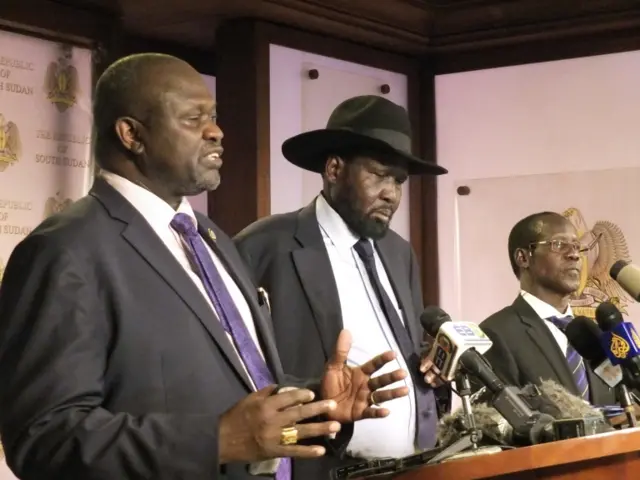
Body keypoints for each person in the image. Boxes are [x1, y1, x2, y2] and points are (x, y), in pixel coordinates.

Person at [0, 54, 410, 480]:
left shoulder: (211, 238)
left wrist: (315, 402)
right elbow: (43, 437)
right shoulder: (67, 249)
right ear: (131, 134)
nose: (216, 132)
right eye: (193, 119)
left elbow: (235, 387)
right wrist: (215, 440)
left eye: (212, 117)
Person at [234, 95, 450, 478]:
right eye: (379, 175)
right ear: (334, 169)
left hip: (415, 467)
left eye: (399, 181)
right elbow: (236, 367)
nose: (392, 193)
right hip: (320, 469)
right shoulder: (266, 245)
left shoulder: (399, 253)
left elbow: (410, 347)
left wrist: (432, 362)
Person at [478, 211, 616, 404]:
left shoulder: (592, 334)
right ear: (523, 258)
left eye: (577, 246)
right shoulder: (495, 334)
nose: (575, 255)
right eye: (559, 245)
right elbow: (497, 424)